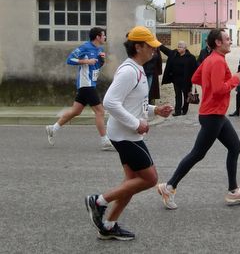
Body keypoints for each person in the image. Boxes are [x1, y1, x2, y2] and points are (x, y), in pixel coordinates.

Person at [84, 26, 174, 241]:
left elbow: (133, 102)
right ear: (138, 46)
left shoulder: (137, 68)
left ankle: (108, 225)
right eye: (150, 46)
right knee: (150, 179)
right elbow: (110, 102)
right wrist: (136, 124)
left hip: (127, 134)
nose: (154, 50)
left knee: (131, 182)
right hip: (126, 136)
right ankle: (98, 201)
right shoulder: (129, 71)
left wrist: (154, 110)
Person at [157, 29, 240, 210]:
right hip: (212, 115)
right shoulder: (216, 61)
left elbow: (195, 77)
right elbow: (218, 90)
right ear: (218, 42)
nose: (230, 41)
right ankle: (169, 187)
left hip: (215, 114)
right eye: (227, 38)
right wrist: (235, 79)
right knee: (197, 154)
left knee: (234, 147)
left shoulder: (210, 59)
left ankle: (233, 190)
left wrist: (210, 85)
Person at [45, 27, 113, 151]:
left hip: (91, 83)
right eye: (103, 35)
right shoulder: (85, 47)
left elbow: (96, 65)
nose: (105, 37)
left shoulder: (100, 49)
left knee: (76, 111)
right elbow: (69, 59)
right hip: (85, 83)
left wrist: (101, 61)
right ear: (97, 37)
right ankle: (105, 141)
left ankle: (53, 128)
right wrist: (86, 60)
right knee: (100, 112)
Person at [161, 41, 197, 116]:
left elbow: (195, 69)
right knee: (178, 95)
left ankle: (184, 109)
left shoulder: (191, 57)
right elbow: (165, 50)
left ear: (185, 48)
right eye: (178, 46)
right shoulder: (174, 54)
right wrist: (158, 44)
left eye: (181, 47)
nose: (179, 48)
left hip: (186, 81)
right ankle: (177, 111)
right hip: (176, 79)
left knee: (186, 95)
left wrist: (195, 80)